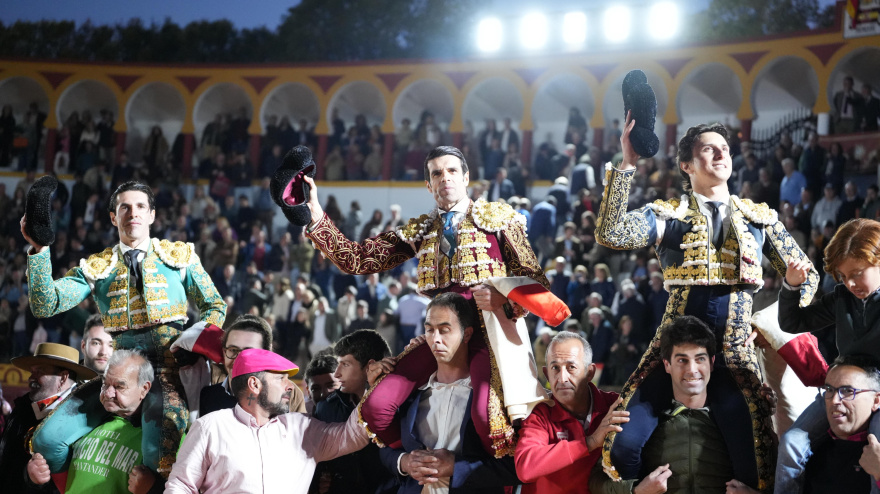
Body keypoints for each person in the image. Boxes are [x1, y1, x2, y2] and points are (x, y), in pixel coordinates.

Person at [595, 116, 817, 491]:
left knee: (754, 462)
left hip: (733, 356)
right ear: (687, 164)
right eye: (709, 149)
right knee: (622, 444)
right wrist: (627, 164)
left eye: (725, 149)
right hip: (673, 351)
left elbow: (808, 277)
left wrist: (791, 290)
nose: (721, 155)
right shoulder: (670, 216)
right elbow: (611, 232)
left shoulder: (758, 219)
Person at [302, 145, 550, 456]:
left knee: (489, 419)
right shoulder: (422, 229)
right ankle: (418, 463)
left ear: (466, 177)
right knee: (376, 407)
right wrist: (315, 214)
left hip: (489, 334)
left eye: (452, 171)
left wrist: (504, 296)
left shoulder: (498, 219)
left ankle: (485, 480)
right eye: (436, 173)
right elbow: (358, 259)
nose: (445, 178)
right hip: (438, 335)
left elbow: (536, 281)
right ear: (428, 185)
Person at [23, 181, 226, 477]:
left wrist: (195, 345)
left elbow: (215, 306)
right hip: (117, 375)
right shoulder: (98, 267)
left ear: (152, 215)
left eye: (141, 206)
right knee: (46, 440)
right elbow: (46, 305)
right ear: (113, 217)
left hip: (168, 371)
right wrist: (39, 249)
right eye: (125, 207)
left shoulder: (179, 257)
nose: (133, 213)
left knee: (159, 455)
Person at [589, 316, 760, 493]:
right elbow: (596, 482)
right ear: (667, 365)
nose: (692, 370)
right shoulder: (644, 425)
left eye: (700, 359)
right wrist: (637, 491)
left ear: (712, 363)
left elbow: (778, 479)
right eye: (682, 360)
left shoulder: (739, 426)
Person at [164, 349, 371, 493]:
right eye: (281, 378)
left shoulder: (303, 428)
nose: (290, 386)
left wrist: (375, 386)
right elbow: (180, 486)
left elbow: (353, 435)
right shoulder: (210, 428)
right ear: (254, 384)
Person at [775, 218, 880, 492]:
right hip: (842, 387)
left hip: (877, 394)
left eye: (857, 272)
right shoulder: (841, 297)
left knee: (877, 456)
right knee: (791, 443)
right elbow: (792, 323)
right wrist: (791, 286)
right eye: (844, 276)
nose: (851, 283)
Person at [378, 293, 519, 493]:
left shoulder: (494, 396)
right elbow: (385, 449)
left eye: (444, 330)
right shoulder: (410, 392)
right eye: (429, 330)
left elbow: (516, 466)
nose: (435, 340)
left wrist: (457, 467)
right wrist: (404, 462)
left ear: (467, 334)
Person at [26, 349, 163, 494]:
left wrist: (153, 489)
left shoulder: (162, 439)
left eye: (119, 386)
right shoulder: (81, 427)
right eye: (105, 384)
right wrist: (34, 479)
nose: (108, 393)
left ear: (144, 388)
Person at [515, 332, 627, 494]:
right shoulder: (540, 413)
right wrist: (590, 442)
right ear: (546, 374)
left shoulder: (614, 406)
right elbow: (526, 468)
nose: (562, 378)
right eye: (555, 368)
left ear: (590, 373)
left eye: (571, 367)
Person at [0, 343, 97, 494]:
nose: (31, 378)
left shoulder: (85, 419)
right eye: (32, 371)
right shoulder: (22, 408)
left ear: (63, 378)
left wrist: (33, 480)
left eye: (39, 372)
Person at [312, 329, 395, 494]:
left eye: (345, 364)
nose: (337, 373)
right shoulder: (326, 408)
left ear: (370, 366)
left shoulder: (400, 405)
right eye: (338, 364)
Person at [798, 355, 880, 493]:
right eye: (829, 390)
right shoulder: (807, 452)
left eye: (848, 391)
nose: (834, 400)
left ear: (876, 401)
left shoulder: (875, 457)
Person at [199, 314, 305, 417]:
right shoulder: (208, 395)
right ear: (224, 351)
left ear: (267, 354)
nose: (238, 360)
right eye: (233, 350)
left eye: (248, 352)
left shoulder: (289, 393)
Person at [304, 350, 340, 414]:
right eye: (316, 389)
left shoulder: (357, 416)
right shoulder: (301, 420)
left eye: (331, 386)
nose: (323, 394)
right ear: (308, 392)